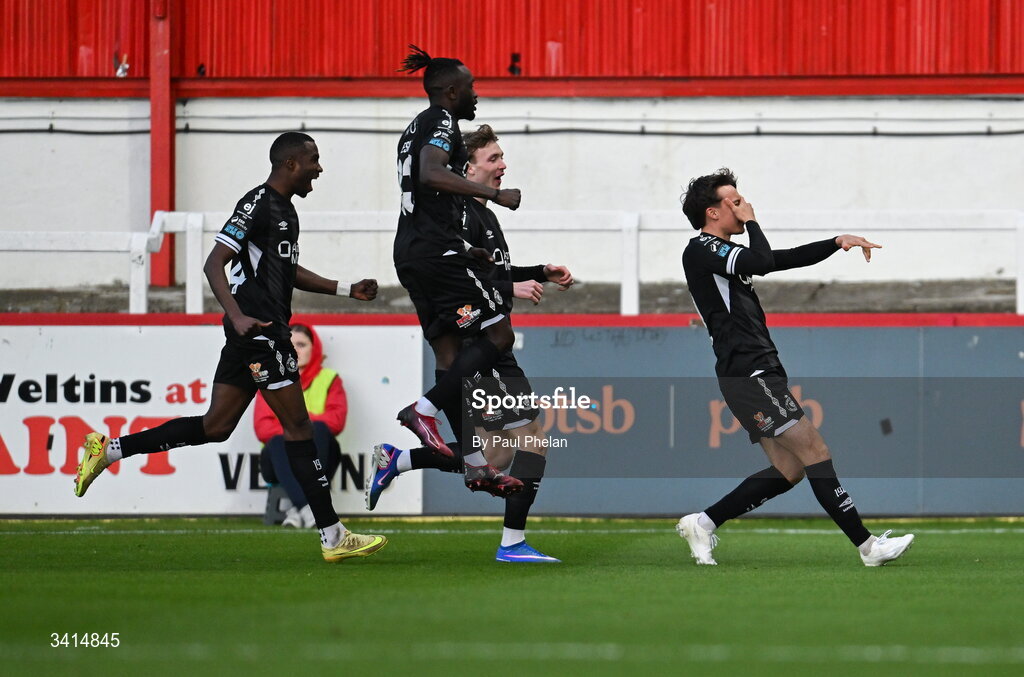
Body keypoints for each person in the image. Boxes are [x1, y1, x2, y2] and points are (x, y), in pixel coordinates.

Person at [74, 132, 387, 563]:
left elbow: (286, 271)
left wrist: (347, 288)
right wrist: (237, 315)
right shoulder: (258, 203)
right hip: (259, 333)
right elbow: (213, 261)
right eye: (314, 159)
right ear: (291, 163)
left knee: (215, 426)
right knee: (298, 428)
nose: (320, 168)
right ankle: (332, 535)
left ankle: (108, 450)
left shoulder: (285, 212)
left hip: (251, 334)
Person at [676, 168, 914, 567]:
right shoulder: (701, 248)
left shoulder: (727, 256)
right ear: (712, 212)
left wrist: (836, 242)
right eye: (734, 201)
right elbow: (765, 261)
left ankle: (703, 522)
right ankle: (868, 547)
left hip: (757, 368)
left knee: (788, 469)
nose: (742, 205)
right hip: (746, 371)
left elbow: (780, 259)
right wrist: (752, 222)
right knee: (814, 449)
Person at [367, 124, 574, 563]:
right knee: (530, 442)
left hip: (492, 346)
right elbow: (459, 276)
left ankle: (398, 460)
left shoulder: (484, 215)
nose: (503, 166)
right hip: (478, 344)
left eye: (502, 158)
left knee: (497, 455)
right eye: (494, 159)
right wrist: (506, 289)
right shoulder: (456, 212)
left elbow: (489, 269)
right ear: (468, 167)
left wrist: (536, 271)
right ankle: (512, 544)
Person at [391, 45, 526, 496]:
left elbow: (425, 196)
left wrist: (470, 249)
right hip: (436, 254)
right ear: (451, 91)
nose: (475, 96)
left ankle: (474, 465)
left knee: (449, 358)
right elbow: (431, 175)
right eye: (470, 88)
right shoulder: (442, 122)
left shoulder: (413, 128)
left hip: (413, 253)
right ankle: (423, 410)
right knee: (499, 335)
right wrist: (493, 196)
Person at [255, 322, 345, 529]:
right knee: (279, 440)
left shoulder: (329, 379)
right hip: (275, 460)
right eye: (290, 344)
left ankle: (296, 510)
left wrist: (299, 423)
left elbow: (337, 421)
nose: (295, 350)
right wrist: (298, 427)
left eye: (302, 344)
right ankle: (310, 509)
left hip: (318, 454)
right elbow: (263, 428)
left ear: (315, 349)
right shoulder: (269, 378)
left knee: (320, 431)